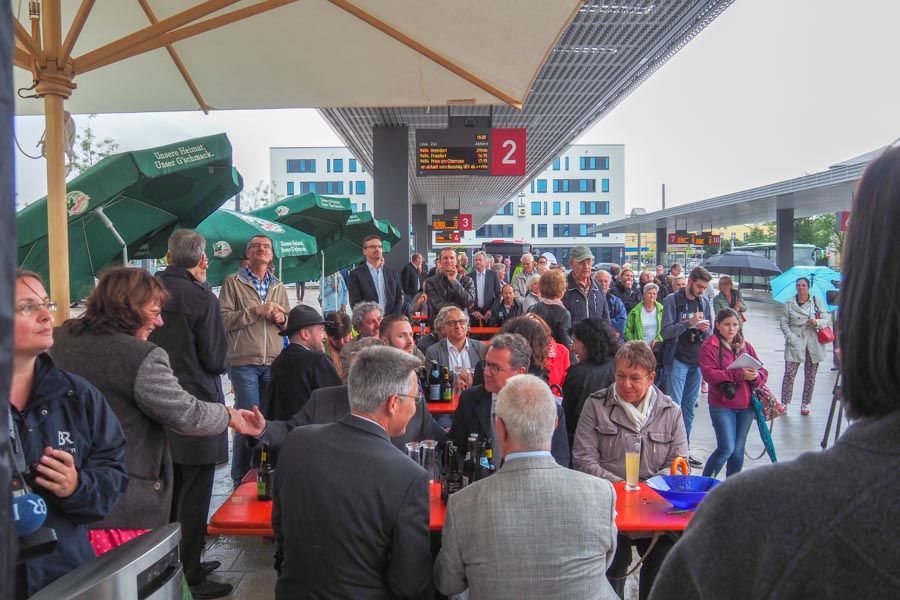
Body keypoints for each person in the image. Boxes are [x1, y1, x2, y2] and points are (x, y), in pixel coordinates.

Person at [650, 145, 900, 600]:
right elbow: (700, 361)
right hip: (701, 378)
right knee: (716, 435)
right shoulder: (686, 312)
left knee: (730, 444)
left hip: (742, 406)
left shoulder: (752, 522)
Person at [51, 268, 241, 563]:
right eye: (154, 310)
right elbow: (185, 414)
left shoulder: (58, 340)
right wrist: (229, 415)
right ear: (128, 307)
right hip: (120, 502)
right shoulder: (140, 356)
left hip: (62, 494)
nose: (160, 321)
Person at [434, 374, 617, 600]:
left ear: (499, 429)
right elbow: (605, 561)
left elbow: (448, 583)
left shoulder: (462, 504)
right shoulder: (602, 494)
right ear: (554, 424)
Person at [271, 347, 432, 599]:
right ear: (393, 403)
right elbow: (410, 584)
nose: (415, 407)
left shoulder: (297, 441)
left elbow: (280, 530)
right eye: (414, 398)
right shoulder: (408, 476)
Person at [10, 270, 127, 597]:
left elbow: (114, 474)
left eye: (47, 303)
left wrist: (76, 486)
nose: (48, 315)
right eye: (27, 307)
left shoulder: (78, 395)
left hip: (65, 577)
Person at [148, 230, 231, 597]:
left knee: (170, 487)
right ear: (200, 260)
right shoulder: (201, 298)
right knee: (196, 492)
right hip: (196, 401)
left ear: (167, 257)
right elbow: (215, 358)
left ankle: (171, 562)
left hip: (152, 401)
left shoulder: (146, 293)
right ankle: (191, 574)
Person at [573, 341, 688, 600]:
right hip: (609, 510)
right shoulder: (596, 405)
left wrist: (646, 491)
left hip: (658, 513)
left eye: (635, 378)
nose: (626, 385)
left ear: (651, 378)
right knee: (611, 567)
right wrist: (626, 489)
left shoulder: (671, 411)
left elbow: (679, 465)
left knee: (664, 566)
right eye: (620, 376)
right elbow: (583, 460)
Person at [219, 234, 290, 486]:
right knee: (246, 418)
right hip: (244, 361)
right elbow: (223, 319)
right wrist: (256, 311)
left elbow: (288, 321)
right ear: (248, 254)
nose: (262, 249)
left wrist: (281, 319)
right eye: (256, 246)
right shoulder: (233, 282)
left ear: (271, 255)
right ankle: (241, 477)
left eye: (266, 247)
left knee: (267, 422)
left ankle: (261, 473)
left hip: (273, 360)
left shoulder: (278, 285)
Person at [450, 334, 570, 467]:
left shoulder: (547, 407)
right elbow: (456, 449)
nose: (486, 372)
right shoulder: (470, 399)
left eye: (495, 367)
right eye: (486, 364)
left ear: (520, 372)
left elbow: (560, 459)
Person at [698, 308, 767, 478]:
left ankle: (731, 489)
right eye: (727, 324)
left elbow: (763, 372)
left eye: (735, 325)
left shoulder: (746, 346)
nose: (731, 329)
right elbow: (709, 375)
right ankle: (704, 486)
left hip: (746, 405)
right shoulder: (709, 346)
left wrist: (755, 376)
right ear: (718, 325)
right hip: (721, 405)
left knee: (737, 451)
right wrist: (738, 374)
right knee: (726, 448)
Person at [660, 266, 713, 465]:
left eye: (704, 287)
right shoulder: (672, 300)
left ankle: (684, 449)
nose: (701, 291)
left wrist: (705, 329)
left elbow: (710, 332)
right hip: (678, 359)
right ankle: (670, 451)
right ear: (690, 281)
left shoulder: (704, 301)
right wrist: (688, 324)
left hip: (697, 360)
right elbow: (665, 332)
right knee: (675, 406)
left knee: (689, 408)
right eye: (699, 286)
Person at [265, 305, 342, 421]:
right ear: (305, 334)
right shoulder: (318, 361)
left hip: (283, 434)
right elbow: (337, 403)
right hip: (311, 435)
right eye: (321, 330)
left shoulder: (278, 362)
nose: (325, 336)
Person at [562, 318, 618, 448]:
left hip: (584, 443)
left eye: (575, 341)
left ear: (587, 342)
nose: (572, 348)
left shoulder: (578, 373)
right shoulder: (620, 367)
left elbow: (568, 419)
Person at [779, 276, 830, 415]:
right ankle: (784, 403)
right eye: (798, 285)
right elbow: (783, 322)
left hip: (813, 342)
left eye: (803, 285)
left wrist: (817, 323)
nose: (801, 288)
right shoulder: (789, 303)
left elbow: (826, 320)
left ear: (808, 287)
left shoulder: (816, 301)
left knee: (810, 376)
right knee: (789, 373)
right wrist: (791, 337)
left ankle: (805, 404)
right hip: (796, 341)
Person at [347, 235, 404, 315]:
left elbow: (399, 297)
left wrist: (392, 317)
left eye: (380, 246)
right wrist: (370, 319)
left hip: (390, 321)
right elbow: (355, 303)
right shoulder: (356, 274)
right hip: (369, 322)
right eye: (373, 246)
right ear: (364, 251)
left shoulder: (392, 273)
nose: (377, 249)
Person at [425, 306, 487, 374]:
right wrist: (456, 378)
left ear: (467, 325)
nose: (458, 326)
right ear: (444, 327)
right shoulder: (433, 352)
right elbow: (433, 381)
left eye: (462, 321)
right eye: (452, 322)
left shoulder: (481, 348)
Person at [423, 247, 476, 323]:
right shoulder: (430, 282)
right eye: (445, 258)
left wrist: (454, 281)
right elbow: (437, 306)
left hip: (460, 325)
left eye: (451, 258)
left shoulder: (467, 280)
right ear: (440, 261)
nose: (448, 261)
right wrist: (460, 305)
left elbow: (469, 302)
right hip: (439, 327)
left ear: (456, 261)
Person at [563, 245, 611, 326]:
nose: (586, 267)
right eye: (581, 263)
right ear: (571, 264)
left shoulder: (597, 287)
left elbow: (605, 318)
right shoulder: (563, 286)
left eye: (589, 262)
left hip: (596, 337)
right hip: (572, 337)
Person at [527, 269, 573, 348]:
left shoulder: (532, 309)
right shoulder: (563, 313)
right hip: (555, 357)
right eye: (564, 287)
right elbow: (566, 343)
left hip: (535, 355)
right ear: (560, 288)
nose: (565, 290)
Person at [469, 251, 503, 326]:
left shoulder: (493, 275)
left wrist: (491, 310)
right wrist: (472, 311)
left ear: (486, 261)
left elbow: (498, 295)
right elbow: (466, 297)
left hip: (490, 315)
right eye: (476, 260)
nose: (477, 262)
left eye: (480, 260)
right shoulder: (469, 277)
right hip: (474, 316)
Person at [594, 269, 627, 337]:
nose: (603, 284)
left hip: (615, 341)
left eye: (606, 281)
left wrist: (602, 323)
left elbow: (622, 321)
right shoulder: (590, 300)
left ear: (609, 283)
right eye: (600, 281)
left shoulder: (616, 301)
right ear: (594, 282)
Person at [324, 311, 353, 381]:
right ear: (328, 337)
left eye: (345, 338)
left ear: (350, 333)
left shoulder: (360, 340)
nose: (342, 343)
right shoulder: (322, 349)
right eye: (336, 340)